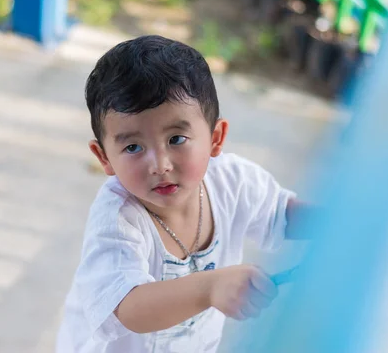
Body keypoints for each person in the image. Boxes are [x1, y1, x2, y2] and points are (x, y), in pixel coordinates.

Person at [56, 35, 307, 352]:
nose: (159, 165)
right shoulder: (118, 219)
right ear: (104, 157)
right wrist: (210, 288)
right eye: (133, 147)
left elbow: (282, 213)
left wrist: (347, 220)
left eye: (176, 139)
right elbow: (129, 307)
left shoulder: (233, 182)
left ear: (215, 138)